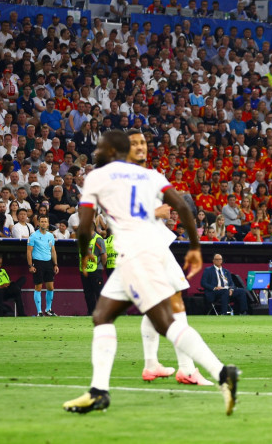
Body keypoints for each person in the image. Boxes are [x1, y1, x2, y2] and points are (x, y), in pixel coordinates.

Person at [62, 131, 238, 415]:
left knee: (168, 323)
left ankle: (221, 373)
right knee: (103, 315)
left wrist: (84, 255)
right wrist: (194, 246)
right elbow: (182, 206)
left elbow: (84, 227)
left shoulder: (98, 177)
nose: (97, 151)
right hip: (143, 254)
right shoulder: (151, 176)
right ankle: (99, 391)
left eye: (101, 147)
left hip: (136, 256)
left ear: (110, 150)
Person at [126, 129, 210, 386]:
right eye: (134, 143)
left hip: (153, 245)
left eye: (143, 142)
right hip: (146, 247)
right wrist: (155, 211)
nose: (141, 147)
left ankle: (153, 365)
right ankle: (186, 368)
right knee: (175, 306)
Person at [26, 214, 58, 316]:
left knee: (50, 287)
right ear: (39, 223)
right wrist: (30, 265)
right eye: (42, 221)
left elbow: (53, 251)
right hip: (38, 263)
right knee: (38, 287)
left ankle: (48, 310)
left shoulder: (51, 236)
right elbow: (29, 252)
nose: (44, 223)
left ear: (48, 224)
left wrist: (55, 264)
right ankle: (39, 311)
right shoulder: (33, 236)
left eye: (45, 221)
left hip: (48, 263)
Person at [79, 229, 107, 316]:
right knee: (88, 293)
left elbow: (104, 255)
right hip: (85, 270)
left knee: (98, 291)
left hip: (96, 270)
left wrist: (101, 266)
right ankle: (91, 312)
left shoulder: (98, 239)